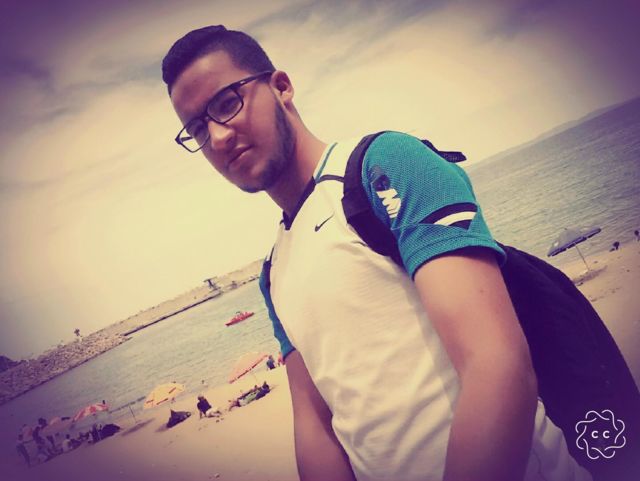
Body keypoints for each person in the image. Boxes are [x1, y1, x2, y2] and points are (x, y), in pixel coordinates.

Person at [162, 26, 595, 481]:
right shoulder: (274, 273)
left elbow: (496, 364)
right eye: (197, 128)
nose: (218, 137)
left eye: (226, 103)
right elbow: (314, 427)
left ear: (281, 87)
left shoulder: (384, 166)